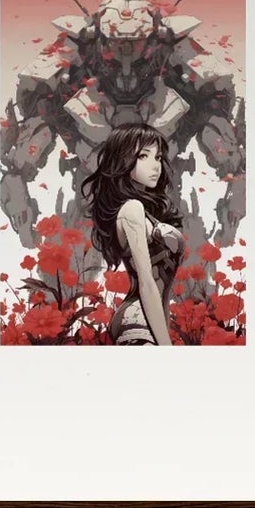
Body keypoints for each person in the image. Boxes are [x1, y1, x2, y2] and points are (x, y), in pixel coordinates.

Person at [84, 127, 185, 346]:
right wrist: (166, 346)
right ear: (123, 160)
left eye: (157, 157)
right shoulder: (132, 209)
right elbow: (147, 283)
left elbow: (160, 292)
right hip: (137, 323)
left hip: (147, 321)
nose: (155, 165)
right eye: (143, 156)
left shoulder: (140, 210)